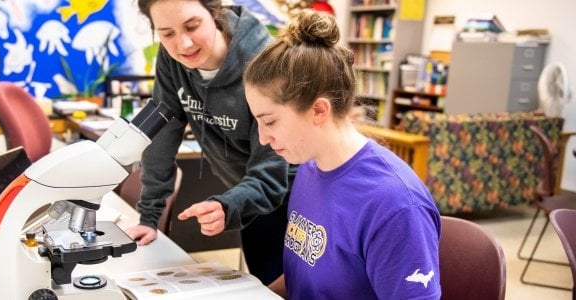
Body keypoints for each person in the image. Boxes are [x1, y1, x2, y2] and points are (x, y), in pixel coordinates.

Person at [243, 10, 441, 299]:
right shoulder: (310, 166)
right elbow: (304, 276)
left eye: (270, 121)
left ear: (319, 110)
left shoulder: (395, 205)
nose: (262, 137)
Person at [123, 0, 292, 285]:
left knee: (292, 287)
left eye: (192, 26)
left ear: (214, 13)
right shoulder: (172, 57)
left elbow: (272, 169)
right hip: (247, 195)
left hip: (292, 194)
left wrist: (228, 205)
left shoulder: (262, 61)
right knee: (264, 285)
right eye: (167, 33)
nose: (183, 44)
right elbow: (163, 134)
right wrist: (148, 218)